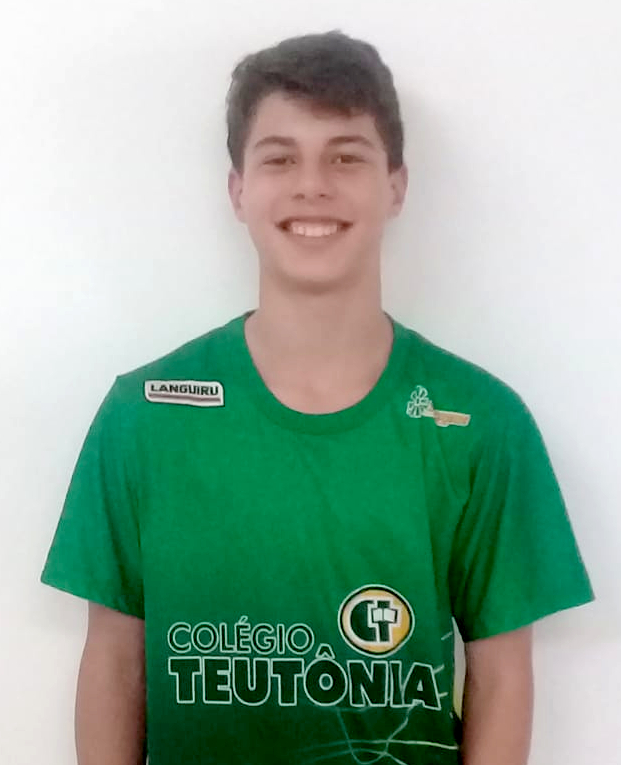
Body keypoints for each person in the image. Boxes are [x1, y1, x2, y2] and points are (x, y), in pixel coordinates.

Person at [41, 30, 594, 765]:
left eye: (345, 156)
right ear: (237, 190)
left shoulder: (481, 422)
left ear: (395, 186)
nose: (312, 185)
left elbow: (502, 675)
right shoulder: (141, 417)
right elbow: (114, 663)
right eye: (279, 158)